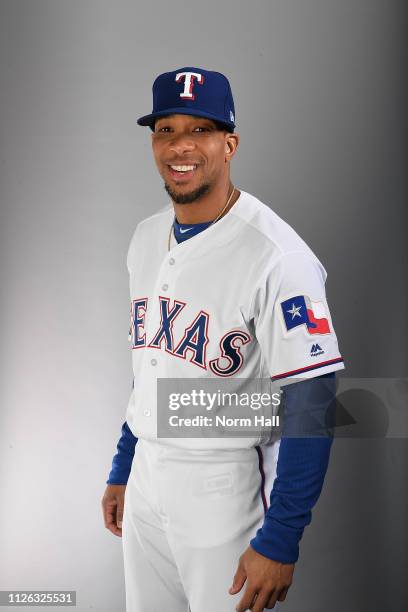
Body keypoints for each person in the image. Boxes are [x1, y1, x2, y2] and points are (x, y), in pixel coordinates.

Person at [101, 66, 345, 612]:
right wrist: (125, 465)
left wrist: (282, 537)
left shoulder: (279, 256)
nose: (179, 146)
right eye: (166, 130)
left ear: (229, 143)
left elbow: (314, 402)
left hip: (223, 487)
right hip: (145, 483)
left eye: (200, 130)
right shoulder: (145, 237)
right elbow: (152, 368)